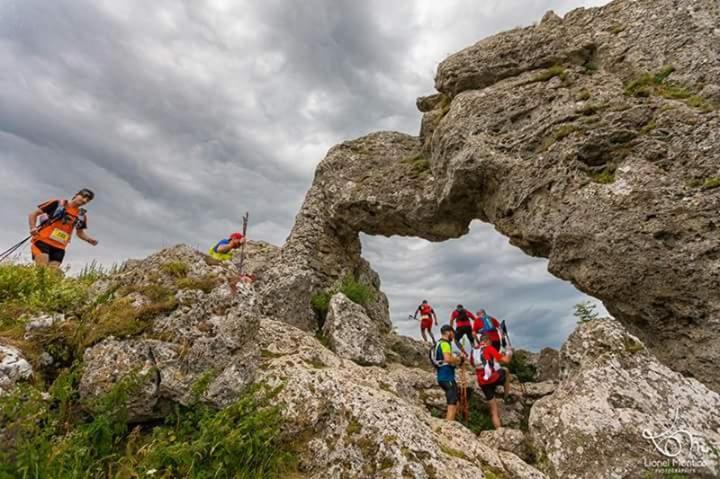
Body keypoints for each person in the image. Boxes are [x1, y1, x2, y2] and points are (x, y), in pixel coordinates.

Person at [27, 189, 97, 268]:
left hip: (60, 247)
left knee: (51, 276)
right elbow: (33, 214)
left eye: (87, 200)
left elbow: (80, 233)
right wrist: (32, 228)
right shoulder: (57, 203)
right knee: (42, 270)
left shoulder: (81, 216)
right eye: (83, 196)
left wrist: (89, 239)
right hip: (43, 241)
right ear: (77, 194)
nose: (84, 200)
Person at [470, 333, 513, 429]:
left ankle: (499, 431)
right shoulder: (489, 348)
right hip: (492, 378)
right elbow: (506, 360)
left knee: (494, 410)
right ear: (487, 341)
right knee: (505, 371)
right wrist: (509, 352)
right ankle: (506, 396)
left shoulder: (474, 351)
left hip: (482, 382)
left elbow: (473, 364)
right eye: (490, 342)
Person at [433, 325, 466, 421]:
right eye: (453, 333)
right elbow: (447, 359)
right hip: (447, 377)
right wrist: (460, 359)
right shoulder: (445, 344)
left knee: (454, 399)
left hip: (442, 376)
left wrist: (457, 360)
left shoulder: (439, 343)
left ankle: (452, 422)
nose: (453, 335)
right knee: (452, 401)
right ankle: (448, 427)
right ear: (448, 332)